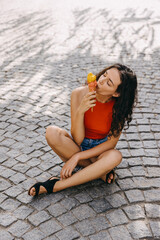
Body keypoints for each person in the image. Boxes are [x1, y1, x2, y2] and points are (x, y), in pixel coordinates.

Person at [28, 63, 137, 196]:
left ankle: (57, 185)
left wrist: (77, 157)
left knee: (116, 156)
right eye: (104, 74)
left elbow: (111, 143)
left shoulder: (119, 108)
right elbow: (77, 139)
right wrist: (81, 111)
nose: (101, 80)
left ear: (116, 93)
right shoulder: (78, 94)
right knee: (51, 132)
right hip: (76, 146)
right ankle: (99, 171)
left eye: (109, 83)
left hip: (99, 150)